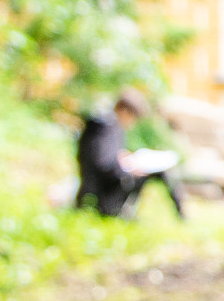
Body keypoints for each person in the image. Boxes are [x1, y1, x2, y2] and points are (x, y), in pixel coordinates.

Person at [76, 87, 189, 221]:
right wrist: (127, 169)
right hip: (101, 196)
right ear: (124, 111)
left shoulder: (104, 124)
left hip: (98, 189)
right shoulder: (107, 127)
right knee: (159, 172)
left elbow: (102, 156)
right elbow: (103, 165)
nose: (131, 124)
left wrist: (123, 159)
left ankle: (179, 214)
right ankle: (181, 215)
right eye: (132, 118)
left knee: (160, 171)